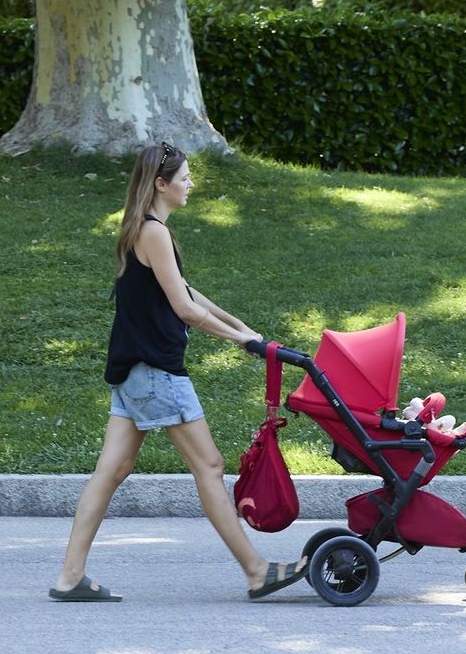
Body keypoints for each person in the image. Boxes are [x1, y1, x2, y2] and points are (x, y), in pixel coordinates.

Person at [49, 142, 306, 602]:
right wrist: (239, 340)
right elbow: (185, 309)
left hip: (133, 373)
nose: (191, 184)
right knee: (208, 466)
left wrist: (242, 327)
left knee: (111, 470)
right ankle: (256, 570)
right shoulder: (153, 233)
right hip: (155, 374)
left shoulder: (140, 229)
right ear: (160, 184)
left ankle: (70, 576)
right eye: (184, 177)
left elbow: (187, 290)